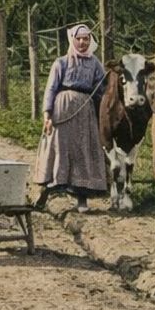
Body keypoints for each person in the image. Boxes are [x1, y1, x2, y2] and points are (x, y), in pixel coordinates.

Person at [33, 23, 108, 213]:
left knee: (83, 150)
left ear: (90, 41)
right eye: (79, 39)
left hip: (85, 112)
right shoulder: (61, 62)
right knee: (59, 148)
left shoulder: (95, 63)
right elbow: (50, 89)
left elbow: (102, 88)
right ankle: (44, 193)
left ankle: (82, 200)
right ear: (72, 40)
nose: (82, 42)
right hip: (63, 108)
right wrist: (47, 115)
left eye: (86, 39)